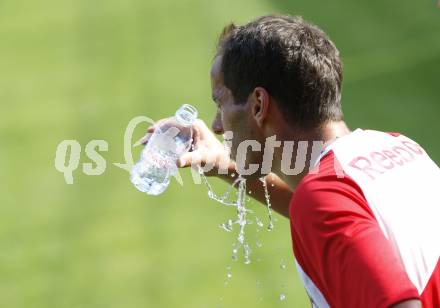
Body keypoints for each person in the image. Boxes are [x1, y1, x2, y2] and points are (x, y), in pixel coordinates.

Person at [145, 15, 440, 307]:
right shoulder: (397, 146)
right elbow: (337, 216)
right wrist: (226, 164)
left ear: (259, 105)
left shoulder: (323, 198)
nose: (217, 125)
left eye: (220, 103)